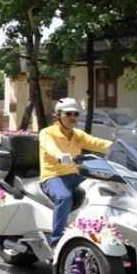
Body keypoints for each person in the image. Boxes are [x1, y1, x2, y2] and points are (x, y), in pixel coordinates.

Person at [39, 98, 113, 249]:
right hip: (53, 176)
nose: (73, 118)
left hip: (76, 175)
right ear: (58, 114)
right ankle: (56, 242)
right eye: (68, 114)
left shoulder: (78, 135)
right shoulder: (48, 133)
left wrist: (120, 148)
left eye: (76, 114)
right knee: (64, 197)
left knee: (105, 189)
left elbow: (98, 143)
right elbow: (48, 147)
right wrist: (59, 155)